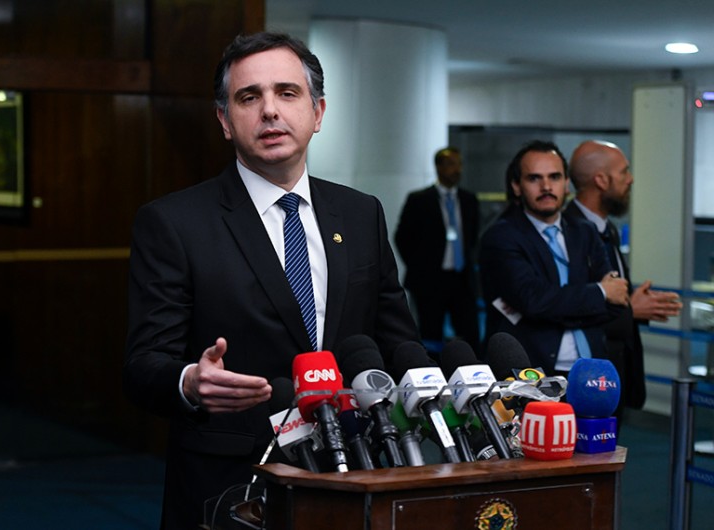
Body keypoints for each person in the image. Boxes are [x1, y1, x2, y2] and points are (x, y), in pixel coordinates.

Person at [123, 32, 419, 530]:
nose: (269, 111)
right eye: (248, 97)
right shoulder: (174, 222)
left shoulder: (360, 212)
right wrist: (190, 383)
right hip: (233, 486)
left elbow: (398, 341)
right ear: (224, 120)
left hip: (354, 474)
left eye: (287, 93)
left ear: (318, 112)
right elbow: (142, 365)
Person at [478, 140, 630, 374]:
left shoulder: (585, 231)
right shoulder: (501, 237)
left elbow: (617, 302)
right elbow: (534, 300)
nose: (546, 186)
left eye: (555, 177)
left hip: (589, 370)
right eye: (534, 178)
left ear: (567, 184)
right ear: (517, 186)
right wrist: (598, 293)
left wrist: (555, 307)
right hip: (530, 373)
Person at [566, 140, 682, 409]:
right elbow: (572, 308)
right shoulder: (569, 233)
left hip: (614, 372)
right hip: (589, 378)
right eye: (624, 172)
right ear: (601, 180)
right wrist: (631, 310)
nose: (630, 180)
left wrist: (631, 302)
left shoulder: (609, 229)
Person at [395, 147, 481, 354]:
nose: (457, 170)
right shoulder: (419, 199)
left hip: (462, 278)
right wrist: (419, 266)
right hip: (430, 281)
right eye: (451, 164)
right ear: (438, 167)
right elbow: (402, 237)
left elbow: (473, 237)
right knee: (430, 333)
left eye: (459, 164)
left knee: (469, 333)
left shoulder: (469, 200)